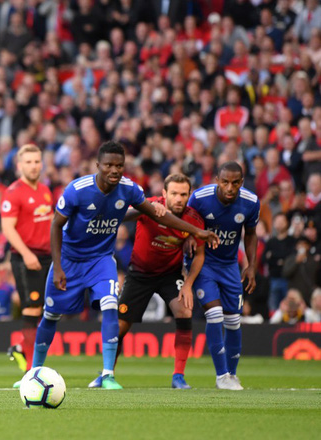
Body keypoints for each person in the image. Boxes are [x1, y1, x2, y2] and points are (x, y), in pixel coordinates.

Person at [31, 141, 218, 390]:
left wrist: (197, 231)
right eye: (109, 165)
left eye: (119, 165)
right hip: (69, 259)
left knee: (110, 306)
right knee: (51, 315)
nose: (114, 170)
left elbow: (154, 213)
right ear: (98, 165)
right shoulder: (77, 190)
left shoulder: (129, 189)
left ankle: (107, 374)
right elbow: (56, 225)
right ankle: (34, 371)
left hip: (101, 259)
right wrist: (57, 266)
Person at [116, 173, 205, 389]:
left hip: (169, 274)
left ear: (189, 195)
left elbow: (200, 255)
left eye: (183, 194)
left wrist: (189, 284)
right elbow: (122, 216)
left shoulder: (193, 219)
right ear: (164, 194)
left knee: (184, 311)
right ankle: (107, 372)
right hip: (139, 273)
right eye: (174, 193)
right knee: (119, 327)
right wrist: (141, 208)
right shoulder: (149, 207)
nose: (179, 199)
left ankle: (178, 376)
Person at [186, 162, 260, 390]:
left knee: (233, 321)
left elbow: (251, 234)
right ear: (217, 179)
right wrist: (189, 237)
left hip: (229, 265)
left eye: (235, 183)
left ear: (241, 182)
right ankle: (221, 377)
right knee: (215, 314)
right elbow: (186, 222)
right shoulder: (199, 198)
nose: (230, 187)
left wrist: (251, 265)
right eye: (225, 181)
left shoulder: (251, 202)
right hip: (203, 263)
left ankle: (232, 375)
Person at [0, 144, 53, 384]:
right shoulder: (13, 192)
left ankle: (22, 349)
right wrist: (27, 254)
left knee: (44, 310)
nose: (34, 166)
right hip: (25, 258)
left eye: (37, 161)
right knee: (32, 309)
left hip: (46, 257)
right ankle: (31, 371)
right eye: (29, 162)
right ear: (20, 165)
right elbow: (7, 228)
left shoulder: (45, 191)